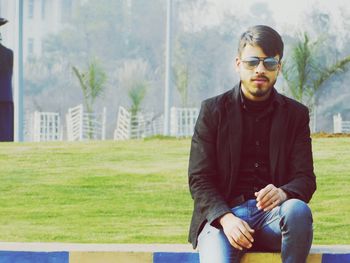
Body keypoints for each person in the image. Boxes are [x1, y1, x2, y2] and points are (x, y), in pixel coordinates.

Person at [188, 25, 316, 263]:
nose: (260, 69)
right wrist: (226, 218)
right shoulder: (212, 111)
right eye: (252, 62)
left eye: (268, 62)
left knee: (297, 210)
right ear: (238, 64)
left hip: (273, 219)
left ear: (279, 67)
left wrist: (283, 192)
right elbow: (199, 178)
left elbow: (305, 179)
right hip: (222, 222)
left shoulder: (295, 115)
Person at [0, 17, 14, 141]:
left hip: (5, 98)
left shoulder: (8, 53)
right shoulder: (9, 53)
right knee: (5, 136)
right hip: (5, 96)